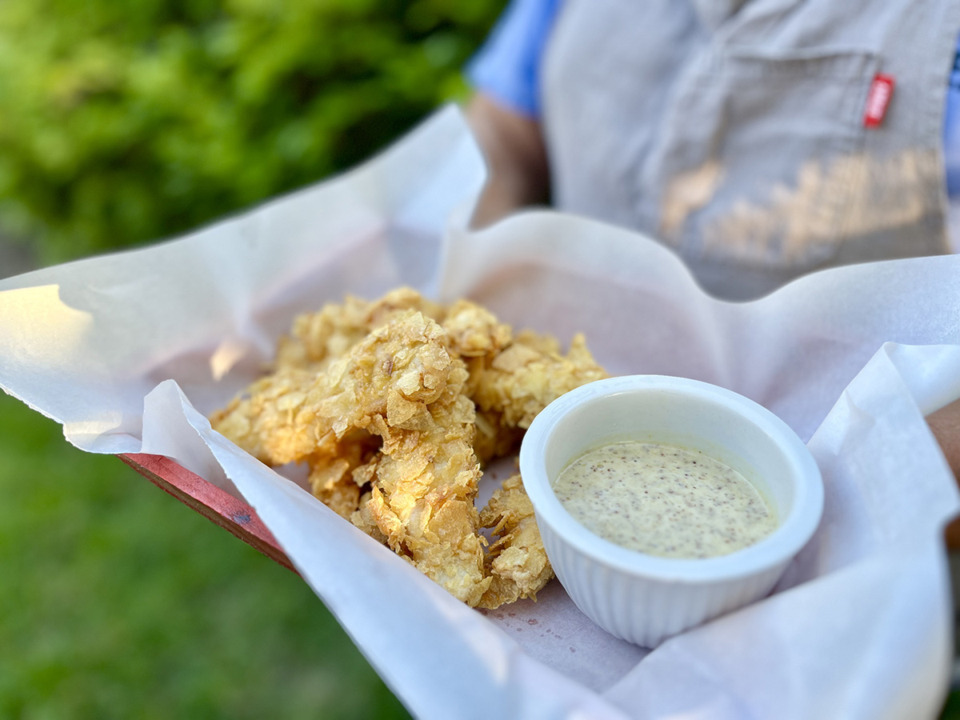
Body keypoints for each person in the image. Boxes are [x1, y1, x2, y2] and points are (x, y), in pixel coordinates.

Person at [462, 0, 960, 535]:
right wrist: (460, 317)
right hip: (529, 453)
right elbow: (503, 139)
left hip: (831, 530)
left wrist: (815, 523)